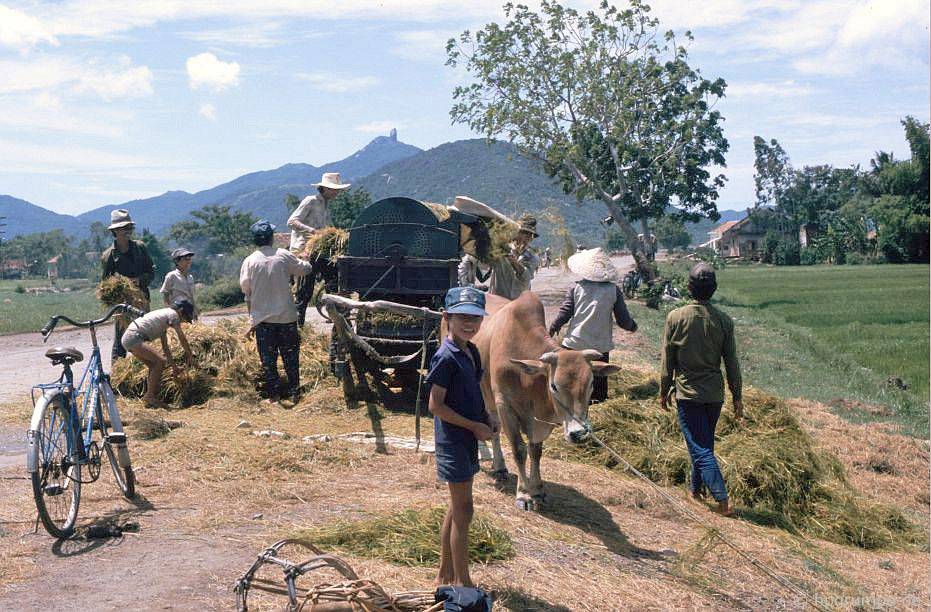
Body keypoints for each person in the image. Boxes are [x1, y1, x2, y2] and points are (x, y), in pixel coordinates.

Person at [428, 286, 499, 588]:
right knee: (464, 510)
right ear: (447, 318)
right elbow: (436, 406)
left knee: (457, 507)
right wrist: (473, 427)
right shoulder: (446, 357)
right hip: (453, 441)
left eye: (475, 318)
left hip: (467, 436)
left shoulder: (470, 351)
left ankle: (445, 574)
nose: (470, 324)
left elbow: (473, 391)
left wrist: (486, 416)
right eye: (462, 318)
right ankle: (463, 583)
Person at [660, 262, 743, 517]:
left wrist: (663, 390)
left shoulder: (676, 317)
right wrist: (737, 396)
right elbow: (731, 362)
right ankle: (695, 490)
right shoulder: (723, 320)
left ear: (688, 287)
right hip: (714, 395)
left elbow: (667, 361)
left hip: (688, 393)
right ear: (714, 289)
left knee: (700, 447)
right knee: (703, 443)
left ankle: (722, 499)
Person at [548, 248, 637, 403]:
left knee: (571, 380)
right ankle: (598, 404)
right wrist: (632, 326)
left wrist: (553, 327)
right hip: (600, 346)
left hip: (575, 343)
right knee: (599, 383)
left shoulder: (576, 289)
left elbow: (565, 313)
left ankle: (571, 406)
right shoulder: (613, 290)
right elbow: (623, 320)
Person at [240, 220, 314, 404]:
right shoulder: (283, 255)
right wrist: (306, 256)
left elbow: (247, 293)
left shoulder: (249, 261)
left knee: (268, 361)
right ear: (272, 238)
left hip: (263, 321)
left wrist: (252, 322)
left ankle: (274, 397)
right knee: (290, 357)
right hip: (286, 318)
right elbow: (306, 269)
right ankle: (295, 392)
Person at [288, 172, 350, 325]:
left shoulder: (326, 205)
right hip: (305, 250)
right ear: (325, 189)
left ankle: (338, 320)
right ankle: (298, 326)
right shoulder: (311, 201)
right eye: (335, 190)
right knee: (305, 291)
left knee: (333, 280)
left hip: (320, 251)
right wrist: (312, 232)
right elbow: (291, 221)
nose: (337, 193)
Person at [101, 209, 154, 361]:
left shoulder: (140, 248)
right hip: (122, 306)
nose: (128, 231)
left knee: (145, 338)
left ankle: (145, 373)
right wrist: (120, 287)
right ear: (115, 231)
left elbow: (151, 272)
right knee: (121, 342)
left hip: (142, 302)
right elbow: (105, 285)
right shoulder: (109, 255)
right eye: (124, 228)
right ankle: (118, 377)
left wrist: (139, 280)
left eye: (129, 228)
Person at [121, 298, 195, 408]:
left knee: (153, 365)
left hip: (128, 339)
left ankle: (149, 396)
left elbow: (166, 348)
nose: (182, 321)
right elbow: (182, 338)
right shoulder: (173, 314)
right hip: (134, 337)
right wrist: (190, 355)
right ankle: (150, 396)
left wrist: (174, 367)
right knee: (160, 362)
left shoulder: (163, 321)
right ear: (181, 311)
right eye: (184, 318)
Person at [487, 214, 540, 300]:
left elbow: (525, 277)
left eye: (530, 234)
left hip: (519, 303)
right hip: (498, 301)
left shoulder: (533, 258)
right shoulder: (500, 250)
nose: (528, 237)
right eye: (524, 232)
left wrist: (512, 260)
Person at [160, 248, 197, 319]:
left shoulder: (190, 277)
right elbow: (166, 296)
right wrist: (169, 314)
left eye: (189, 259)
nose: (188, 261)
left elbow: (192, 297)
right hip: (177, 312)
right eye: (185, 259)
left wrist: (195, 313)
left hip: (189, 311)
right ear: (177, 261)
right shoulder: (171, 276)